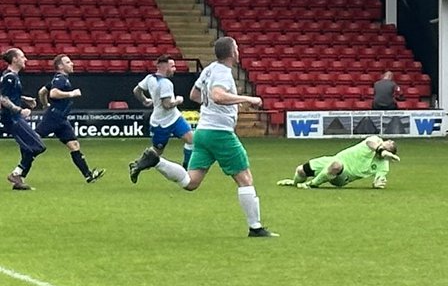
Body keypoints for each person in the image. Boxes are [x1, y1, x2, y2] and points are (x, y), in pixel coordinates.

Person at [128, 36, 278, 238]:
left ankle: (156, 161)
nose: (238, 52)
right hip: (220, 134)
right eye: (236, 48)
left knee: (191, 182)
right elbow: (217, 96)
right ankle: (255, 227)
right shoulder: (223, 72)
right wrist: (247, 99)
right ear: (232, 53)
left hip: (203, 131)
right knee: (245, 179)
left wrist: (216, 107)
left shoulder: (209, 69)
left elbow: (195, 95)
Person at [34, 53, 105, 184]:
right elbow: (53, 93)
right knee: (33, 142)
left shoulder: (58, 79)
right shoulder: (60, 79)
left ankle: (88, 175)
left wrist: (45, 104)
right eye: (68, 62)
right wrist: (72, 93)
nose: (72, 64)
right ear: (60, 66)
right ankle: (20, 170)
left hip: (61, 119)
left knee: (74, 145)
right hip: (54, 117)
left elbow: (42, 92)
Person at [133, 54, 194, 167]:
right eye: (172, 66)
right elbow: (167, 105)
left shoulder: (149, 78)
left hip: (174, 118)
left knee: (191, 140)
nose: (174, 69)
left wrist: (144, 100)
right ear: (165, 67)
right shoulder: (166, 83)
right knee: (157, 152)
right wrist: (178, 101)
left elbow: (136, 90)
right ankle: (137, 165)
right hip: (161, 123)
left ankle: (187, 168)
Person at [277, 135, 399, 189]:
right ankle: (294, 183)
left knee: (336, 165)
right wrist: (381, 151)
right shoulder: (375, 140)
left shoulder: (384, 165)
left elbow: (379, 179)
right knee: (301, 170)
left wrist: (377, 184)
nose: (386, 144)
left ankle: (312, 184)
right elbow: (370, 143)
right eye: (387, 142)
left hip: (343, 176)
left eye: (389, 147)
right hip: (333, 159)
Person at [1, 47, 45, 191]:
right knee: (37, 146)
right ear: (15, 59)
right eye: (22, 56)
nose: (25, 59)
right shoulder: (10, 77)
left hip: (13, 117)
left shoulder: (11, 76)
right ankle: (16, 173)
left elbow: (9, 94)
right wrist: (19, 110)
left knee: (27, 148)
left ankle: (18, 180)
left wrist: (24, 99)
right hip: (12, 118)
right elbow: (3, 98)